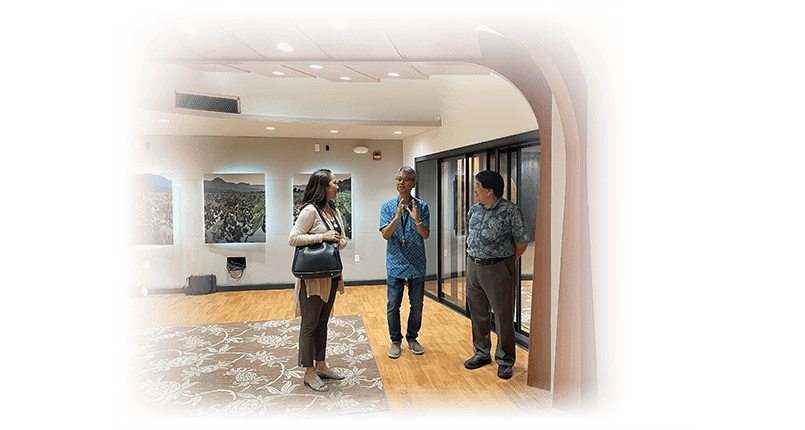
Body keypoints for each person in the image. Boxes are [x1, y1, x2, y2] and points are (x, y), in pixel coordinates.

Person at [463, 170, 530, 379]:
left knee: (502, 316)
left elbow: (522, 242)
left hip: (499, 268)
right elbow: (469, 234)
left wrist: (503, 263)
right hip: (473, 267)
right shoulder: (474, 210)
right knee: (478, 313)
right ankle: (482, 354)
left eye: (477, 186)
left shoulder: (510, 211)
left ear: (489, 191)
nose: (474, 190)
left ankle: (505, 360)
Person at [288, 169, 349, 392]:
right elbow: (293, 239)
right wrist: (321, 237)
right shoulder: (309, 211)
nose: (337, 186)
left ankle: (321, 364)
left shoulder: (334, 210)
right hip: (313, 279)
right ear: (323, 186)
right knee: (309, 323)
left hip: (332, 274)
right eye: (334, 182)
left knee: (323, 322)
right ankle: (309, 371)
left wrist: (339, 241)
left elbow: (341, 240)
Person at [379, 166, 430, 358]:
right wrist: (397, 217)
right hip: (395, 262)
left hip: (416, 263)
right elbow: (386, 235)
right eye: (399, 179)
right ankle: (395, 341)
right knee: (393, 304)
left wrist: (417, 220)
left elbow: (425, 234)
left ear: (414, 183)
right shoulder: (387, 206)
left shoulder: (422, 206)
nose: (402, 183)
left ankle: (412, 338)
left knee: (416, 305)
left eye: (406, 179)